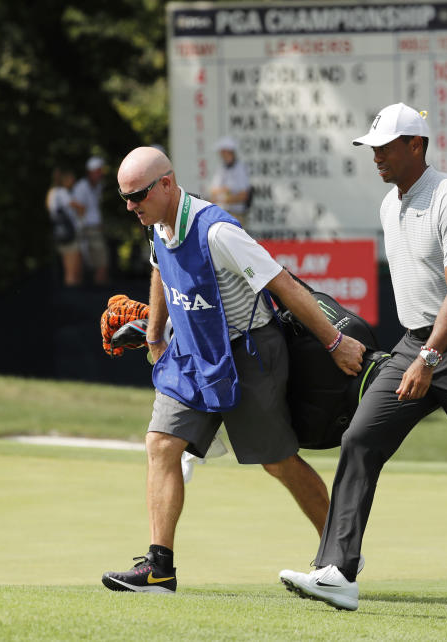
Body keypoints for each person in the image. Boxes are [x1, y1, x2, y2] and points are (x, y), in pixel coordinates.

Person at [278, 103, 447, 624]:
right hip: (416, 341)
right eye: (372, 148)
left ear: (417, 145)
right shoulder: (389, 206)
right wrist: (419, 353)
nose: (377, 157)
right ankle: (338, 573)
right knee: (360, 439)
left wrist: (430, 358)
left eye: (386, 147)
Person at [101, 146, 366, 593]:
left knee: (278, 462)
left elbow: (283, 284)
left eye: (138, 196)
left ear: (166, 183)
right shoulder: (157, 224)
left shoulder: (217, 231)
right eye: (125, 199)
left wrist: (335, 342)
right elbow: (161, 271)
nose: (132, 207)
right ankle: (159, 569)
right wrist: (154, 335)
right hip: (191, 354)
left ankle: (340, 560)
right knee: (162, 443)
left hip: (249, 355)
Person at [72, 156, 110, 284]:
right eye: (98, 171)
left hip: (94, 228)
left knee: (99, 262)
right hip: (86, 229)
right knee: (100, 262)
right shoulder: (81, 187)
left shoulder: (98, 186)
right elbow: (76, 208)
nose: (101, 173)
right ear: (91, 172)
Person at [46, 167, 83, 286]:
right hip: (69, 234)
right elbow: (77, 206)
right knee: (71, 271)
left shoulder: (51, 193)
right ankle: (73, 297)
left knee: (68, 266)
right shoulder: (61, 192)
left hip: (60, 234)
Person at [206, 136, 251, 227]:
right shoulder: (221, 168)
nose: (221, 155)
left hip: (237, 215)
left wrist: (223, 197)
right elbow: (213, 190)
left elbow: (243, 196)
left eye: (223, 152)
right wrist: (227, 191)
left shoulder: (240, 169)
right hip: (223, 215)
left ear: (229, 152)